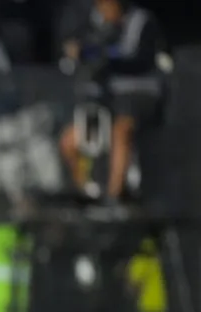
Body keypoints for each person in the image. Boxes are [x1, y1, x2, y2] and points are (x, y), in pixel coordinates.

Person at [58, 0, 166, 202]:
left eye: (107, 6)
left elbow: (131, 55)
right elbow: (74, 54)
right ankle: (87, 195)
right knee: (69, 141)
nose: (103, 11)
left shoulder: (140, 21)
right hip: (104, 100)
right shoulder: (95, 26)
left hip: (139, 95)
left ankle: (113, 197)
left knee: (120, 130)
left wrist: (90, 53)